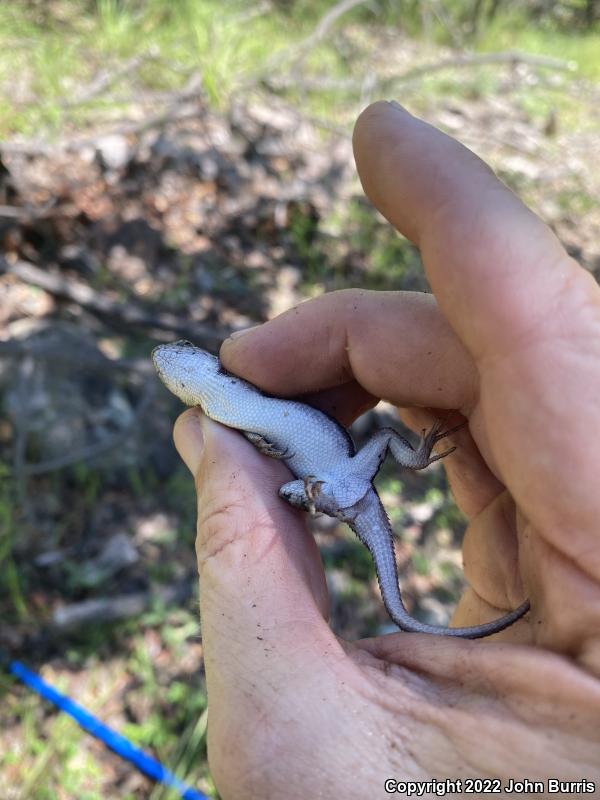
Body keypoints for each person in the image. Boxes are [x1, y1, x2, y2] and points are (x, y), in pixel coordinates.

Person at [173, 101, 600, 798]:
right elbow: (262, 433)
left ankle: (408, 460)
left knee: (370, 443)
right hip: (335, 482)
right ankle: (389, 470)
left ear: (199, 366)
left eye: (183, 356)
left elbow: (266, 429)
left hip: (341, 480)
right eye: (179, 367)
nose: (180, 362)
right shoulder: (222, 405)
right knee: (339, 462)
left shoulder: (225, 392)